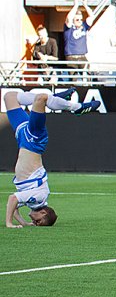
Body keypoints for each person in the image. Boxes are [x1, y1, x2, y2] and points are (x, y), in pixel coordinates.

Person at [5, 88, 100, 228]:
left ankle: (54, 98)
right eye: (39, 221)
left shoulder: (33, 201)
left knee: (9, 97)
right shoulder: (38, 198)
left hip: (23, 139)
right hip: (34, 141)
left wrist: (23, 223)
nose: (36, 223)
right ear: (43, 213)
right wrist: (9, 223)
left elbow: (14, 206)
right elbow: (13, 198)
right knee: (41, 98)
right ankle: (78, 107)